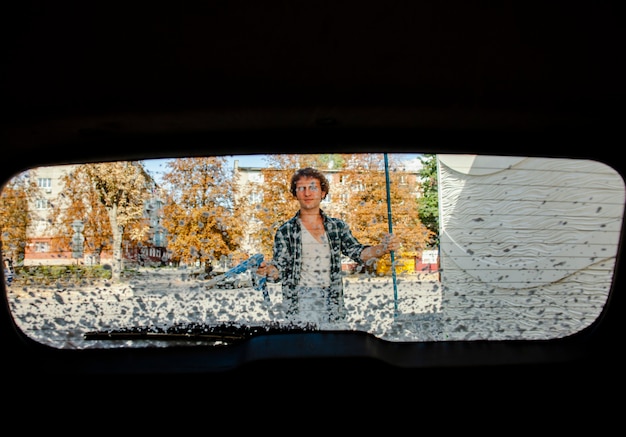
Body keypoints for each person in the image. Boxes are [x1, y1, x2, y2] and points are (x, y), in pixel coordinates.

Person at [257, 167, 400, 326]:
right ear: (295, 193)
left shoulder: (337, 227)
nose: (307, 193)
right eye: (301, 188)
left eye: (313, 187)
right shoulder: (285, 231)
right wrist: (267, 270)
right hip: (299, 304)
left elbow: (359, 253)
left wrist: (383, 248)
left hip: (333, 303)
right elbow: (280, 268)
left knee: (335, 349)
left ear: (322, 193)